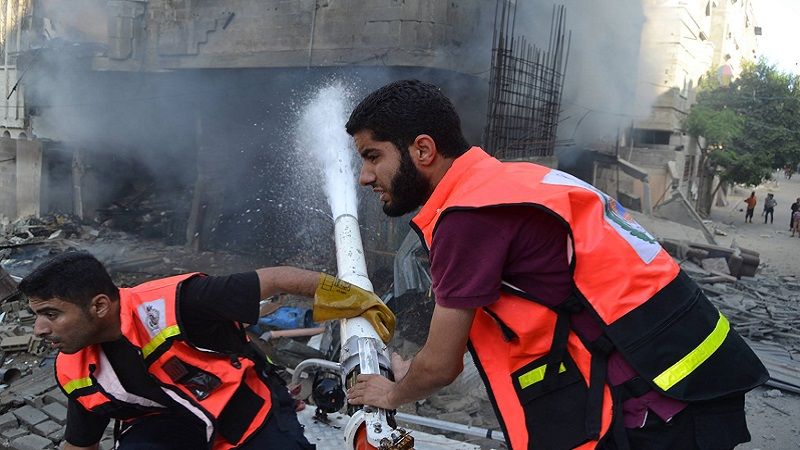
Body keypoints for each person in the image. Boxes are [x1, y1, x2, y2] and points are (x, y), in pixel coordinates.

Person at [344, 79, 768, 450]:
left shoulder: (467, 217)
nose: (364, 176)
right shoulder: (510, 180)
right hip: (693, 371)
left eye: (373, 155)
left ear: (422, 149)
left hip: (657, 405)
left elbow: (440, 364)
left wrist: (392, 393)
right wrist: (408, 374)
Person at [20, 251, 395, 450]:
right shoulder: (74, 368)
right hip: (168, 429)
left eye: (50, 314)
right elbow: (79, 443)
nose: (39, 329)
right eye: (36, 315)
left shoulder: (177, 303)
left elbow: (275, 280)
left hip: (248, 410)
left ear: (99, 306)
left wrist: (358, 301)